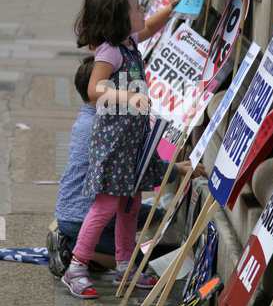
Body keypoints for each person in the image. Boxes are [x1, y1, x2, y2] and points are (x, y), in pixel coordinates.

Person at [61, 0, 207, 299]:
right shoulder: (110, 51)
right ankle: (76, 266)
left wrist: (171, 8)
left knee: (130, 205)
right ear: (118, 17)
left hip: (132, 141)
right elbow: (95, 89)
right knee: (107, 205)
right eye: (137, 7)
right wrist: (126, 96)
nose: (143, 11)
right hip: (114, 142)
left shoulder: (128, 42)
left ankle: (125, 268)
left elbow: (153, 26)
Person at [48, 55, 207, 280]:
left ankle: (90, 249)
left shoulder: (87, 118)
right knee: (136, 263)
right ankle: (72, 250)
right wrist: (176, 170)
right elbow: (130, 169)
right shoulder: (102, 128)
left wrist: (174, 166)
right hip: (82, 215)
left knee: (154, 215)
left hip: (80, 209)